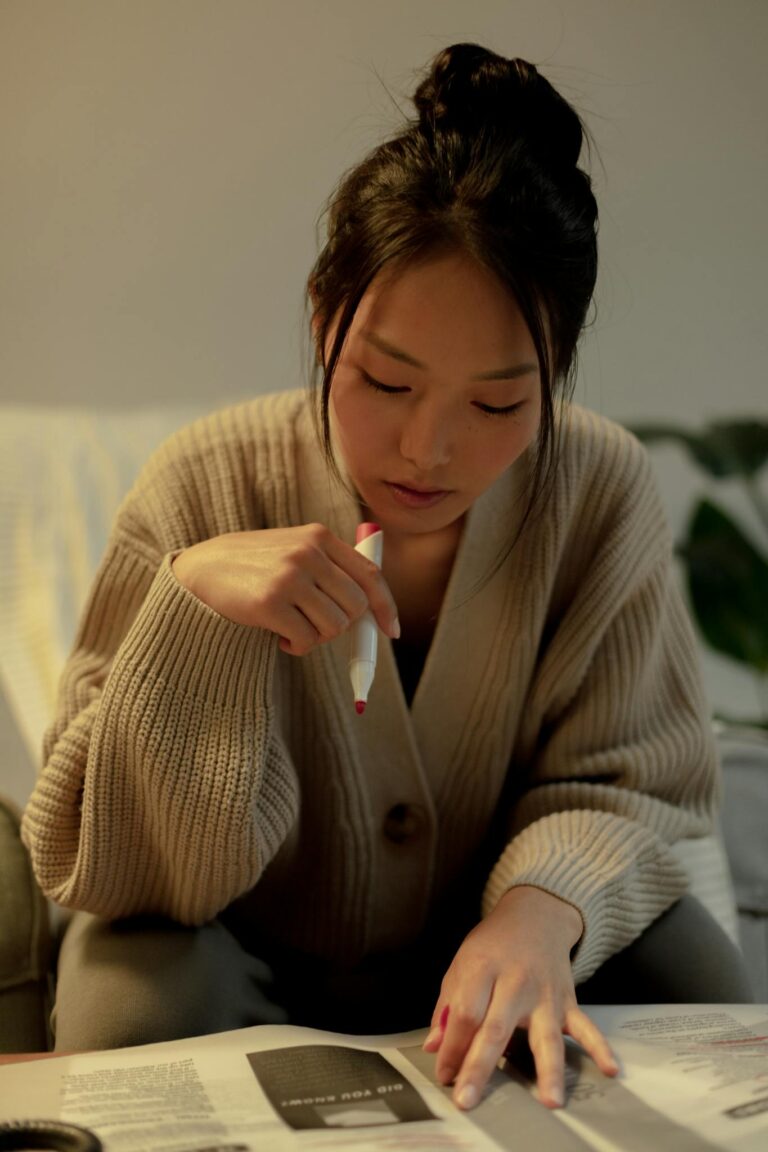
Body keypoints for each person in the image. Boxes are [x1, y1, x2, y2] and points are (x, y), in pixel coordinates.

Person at [22, 42, 751, 1112]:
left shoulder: (596, 488)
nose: (428, 449)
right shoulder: (205, 482)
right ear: (324, 321)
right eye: (384, 380)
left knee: (690, 977)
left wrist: (543, 908)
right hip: (231, 960)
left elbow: (636, 781)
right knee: (128, 992)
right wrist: (193, 617)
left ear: (558, 371)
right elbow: (122, 876)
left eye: (499, 405)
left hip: (495, 967)